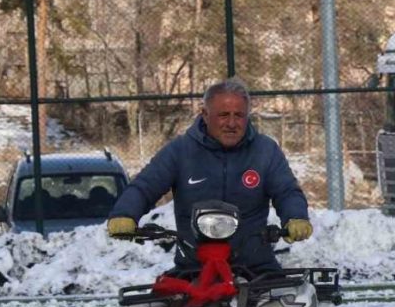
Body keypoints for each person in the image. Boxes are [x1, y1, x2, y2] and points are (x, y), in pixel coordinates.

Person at [107, 77, 312, 273]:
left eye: (239, 115)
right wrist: (125, 213)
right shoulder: (180, 150)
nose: (231, 123)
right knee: (159, 298)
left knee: (291, 297)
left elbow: (286, 191)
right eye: (223, 115)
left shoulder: (265, 151)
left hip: (255, 266)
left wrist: (295, 217)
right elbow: (145, 186)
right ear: (205, 114)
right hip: (194, 267)